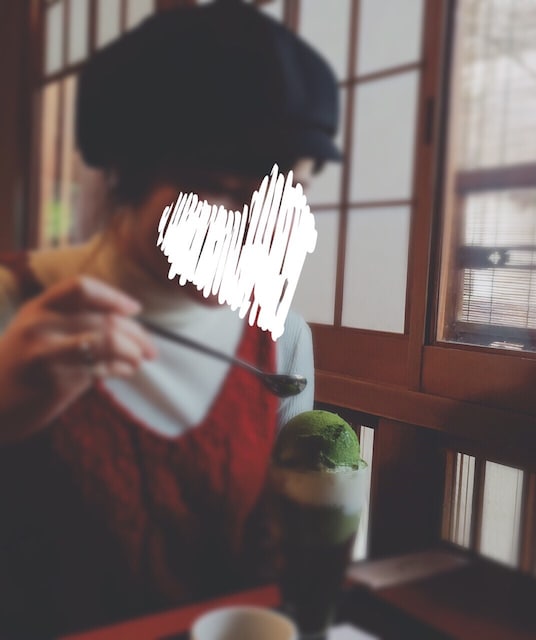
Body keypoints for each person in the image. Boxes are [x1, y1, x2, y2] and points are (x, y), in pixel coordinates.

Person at [0, 0, 341, 637]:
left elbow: (278, 542)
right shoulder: (16, 308)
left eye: (284, 196)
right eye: (221, 190)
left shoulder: (281, 335)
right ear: (123, 173)